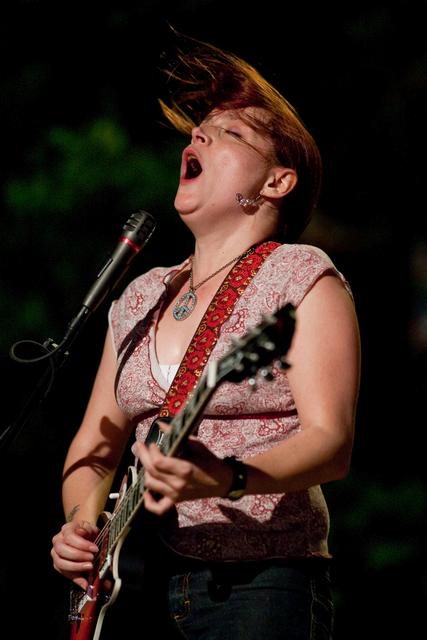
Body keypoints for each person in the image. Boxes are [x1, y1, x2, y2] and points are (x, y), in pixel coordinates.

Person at [51, 34, 360, 640]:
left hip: (261, 581)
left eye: (231, 134)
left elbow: (333, 441)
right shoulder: (141, 295)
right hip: (142, 580)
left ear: (276, 183)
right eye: (198, 131)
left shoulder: (299, 276)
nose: (197, 137)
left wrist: (228, 476)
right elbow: (96, 442)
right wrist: (82, 530)